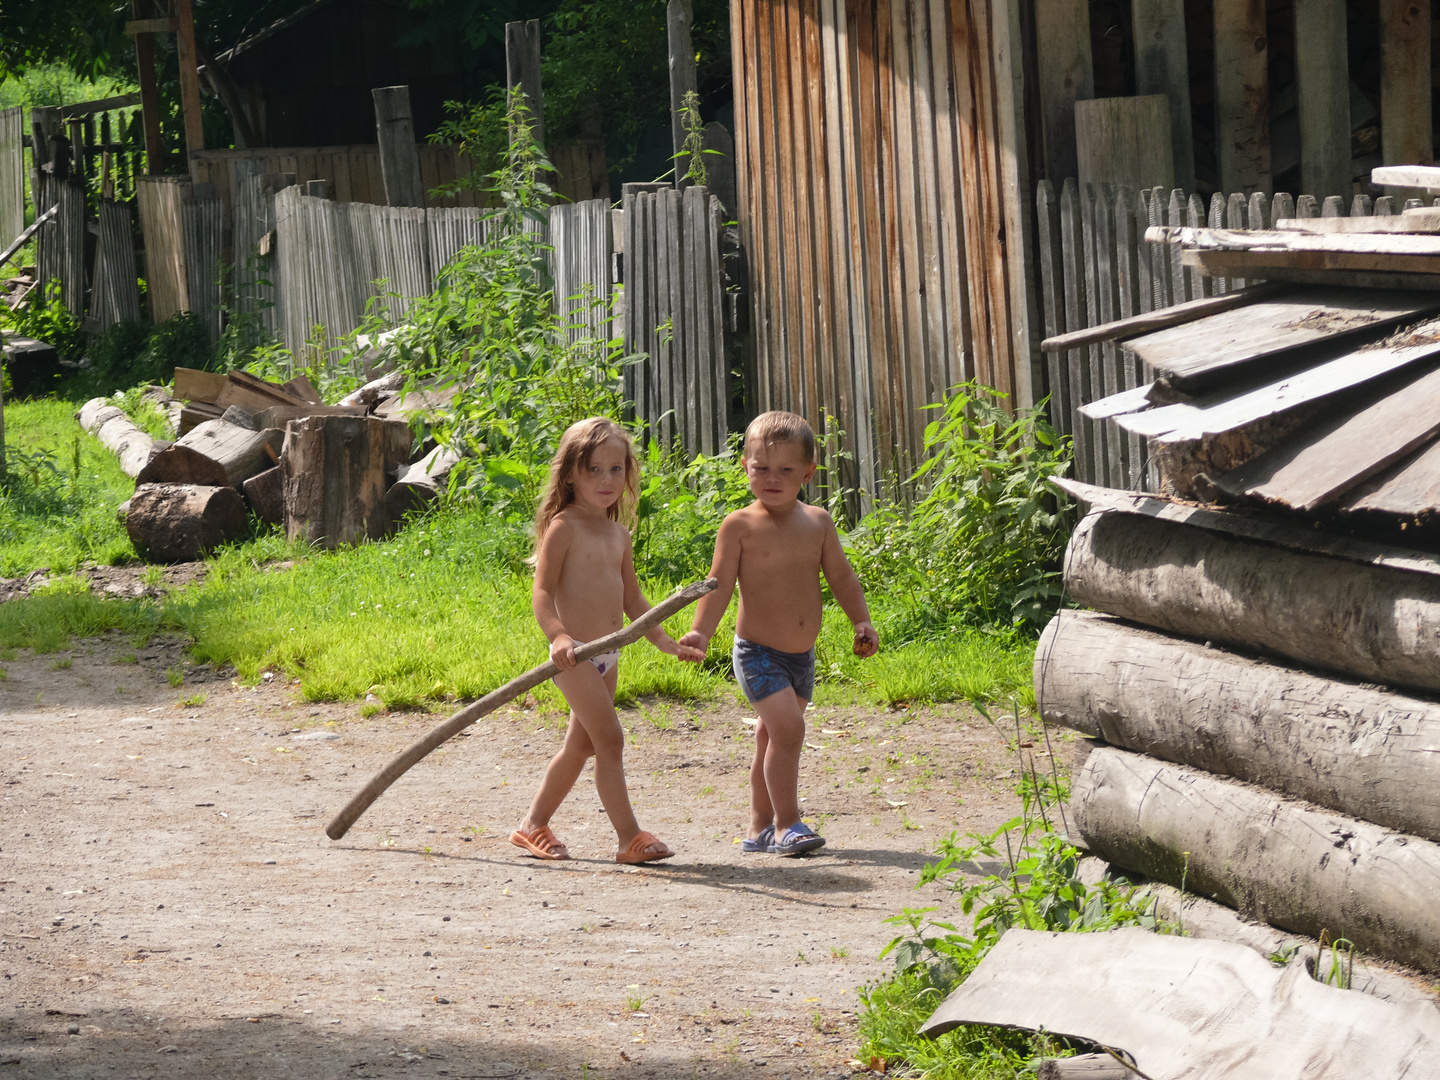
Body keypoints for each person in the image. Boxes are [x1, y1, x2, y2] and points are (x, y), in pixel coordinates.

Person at [679, 411, 878, 856]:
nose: (773, 478)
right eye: (761, 468)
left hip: (800, 658)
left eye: (786, 470)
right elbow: (719, 584)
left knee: (772, 738)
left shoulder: (818, 523)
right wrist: (700, 633)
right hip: (757, 654)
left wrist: (860, 620)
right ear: (745, 467)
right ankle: (789, 824)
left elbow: (842, 579)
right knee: (788, 730)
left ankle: (759, 827)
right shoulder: (739, 526)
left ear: (808, 473)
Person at [510, 417, 703, 864]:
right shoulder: (564, 527)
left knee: (580, 746)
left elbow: (632, 597)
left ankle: (532, 825)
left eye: (616, 469)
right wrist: (558, 636)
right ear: (571, 473)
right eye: (594, 469)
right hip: (575, 657)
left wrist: (662, 639)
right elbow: (541, 592)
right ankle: (629, 837)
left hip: (608, 655)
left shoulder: (619, 534)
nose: (607, 480)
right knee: (610, 741)